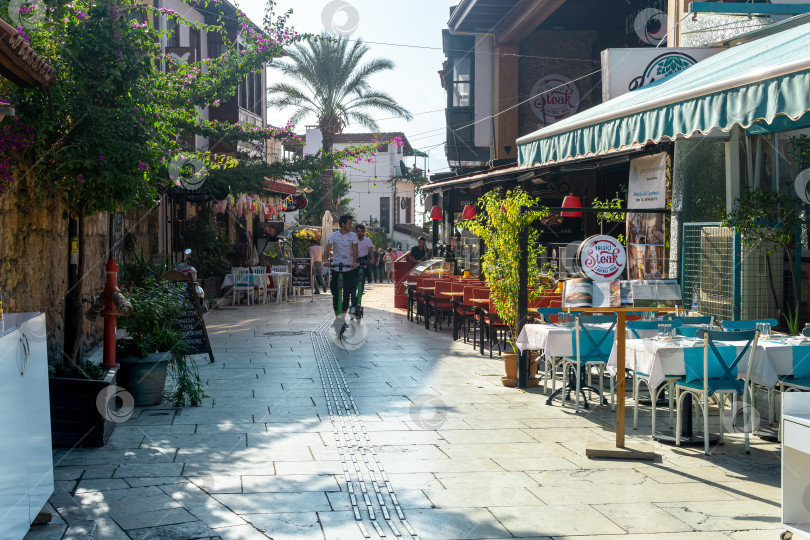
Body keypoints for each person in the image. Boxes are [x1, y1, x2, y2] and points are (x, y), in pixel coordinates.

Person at [326, 215, 358, 330]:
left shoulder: (353, 236)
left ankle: (342, 318)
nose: (351, 225)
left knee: (347, 293)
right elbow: (328, 248)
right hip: (336, 268)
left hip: (348, 268)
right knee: (335, 293)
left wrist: (354, 261)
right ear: (343, 224)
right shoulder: (333, 236)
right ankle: (337, 318)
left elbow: (355, 250)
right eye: (349, 223)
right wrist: (326, 260)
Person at [355, 224, 374, 291]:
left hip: (363, 260)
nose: (360, 233)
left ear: (364, 232)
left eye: (361, 231)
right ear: (356, 232)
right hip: (355, 260)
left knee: (362, 278)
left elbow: (371, 249)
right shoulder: (353, 240)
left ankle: (361, 290)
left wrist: (372, 258)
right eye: (358, 231)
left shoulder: (367, 240)